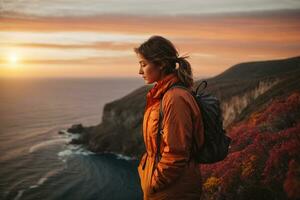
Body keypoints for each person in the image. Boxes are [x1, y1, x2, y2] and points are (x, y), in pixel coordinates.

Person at [133, 35, 205, 200]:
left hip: (173, 191)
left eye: (143, 65)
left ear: (161, 64)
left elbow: (177, 153)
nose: (139, 71)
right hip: (166, 188)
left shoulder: (175, 98)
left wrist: (153, 184)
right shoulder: (162, 95)